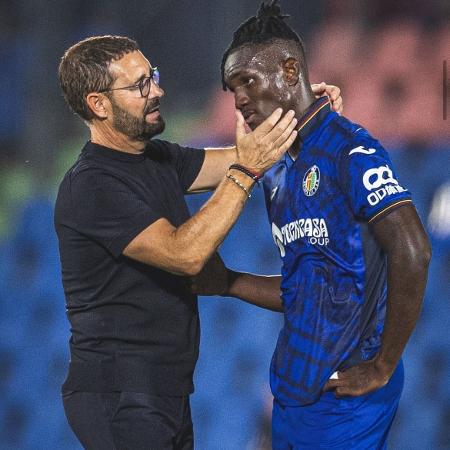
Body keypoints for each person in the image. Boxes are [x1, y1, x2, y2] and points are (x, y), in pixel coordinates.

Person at [55, 35, 341, 449]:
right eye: (139, 85)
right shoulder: (93, 185)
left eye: (152, 76)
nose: (158, 90)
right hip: (119, 394)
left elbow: (256, 151)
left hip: (161, 391)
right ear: (99, 104)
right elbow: (184, 254)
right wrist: (246, 171)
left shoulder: (155, 159)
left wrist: (299, 109)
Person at [194, 1, 432, 449]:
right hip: (292, 392)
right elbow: (306, 289)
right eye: (231, 89)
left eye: (247, 80)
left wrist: (382, 365)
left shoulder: (352, 151)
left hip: (346, 397)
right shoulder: (278, 172)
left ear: (289, 71)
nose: (240, 98)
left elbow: (414, 250)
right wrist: (227, 282)